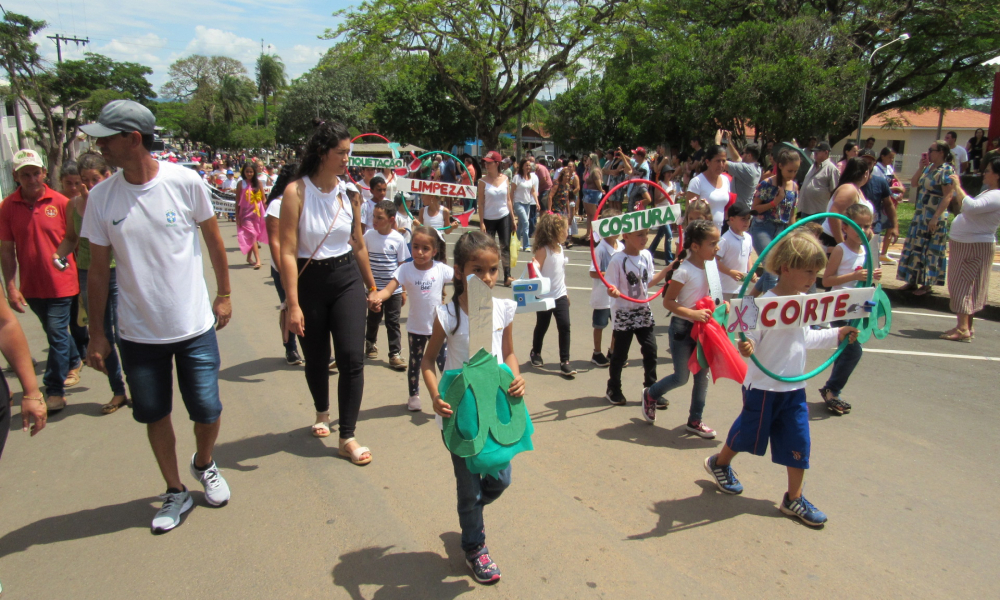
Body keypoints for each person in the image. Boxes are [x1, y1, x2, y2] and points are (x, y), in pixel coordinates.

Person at [80, 100, 232, 533]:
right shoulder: (100, 197)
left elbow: (214, 242)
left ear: (133, 139)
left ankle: (204, 462)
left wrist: (223, 294)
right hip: (138, 333)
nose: (100, 146)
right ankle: (174, 490)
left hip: (193, 326)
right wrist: (97, 334)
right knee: (154, 412)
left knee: (207, 408)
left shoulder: (185, 182)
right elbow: (96, 270)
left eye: (106, 138)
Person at [704, 232, 858, 527]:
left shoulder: (806, 301)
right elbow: (747, 338)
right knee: (747, 435)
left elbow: (807, 338)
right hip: (763, 387)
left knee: (798, 441)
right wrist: (747, 345)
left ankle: (794, 497)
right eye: (809, 271)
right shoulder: (758, 303)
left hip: (794, 388)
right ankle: (719, 462)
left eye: (817, 272)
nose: (814, 278)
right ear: (786, 268)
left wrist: (836, 335)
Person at [420, 230, 523, 585]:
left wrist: (517, 378)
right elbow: (428, 361)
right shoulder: (448, 315)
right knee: (468, 487)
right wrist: (436, 396)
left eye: (493, 270)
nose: (488, 278)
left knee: (501, 478)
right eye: (479, 270)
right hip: (460, 414)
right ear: (460, 271)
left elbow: (507, 353)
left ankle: (472, 511)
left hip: (494, 409)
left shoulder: (504, 308)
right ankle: (474, 546)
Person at [278, 119, 380, 465]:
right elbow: (288, 252)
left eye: (349, 153)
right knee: (318, 359)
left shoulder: (349, 193)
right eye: (341, 153)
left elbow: (359, 245)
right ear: (322, 153)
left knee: (352, 357)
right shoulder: (297, 192)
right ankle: (322, 410)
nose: (347, 160)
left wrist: (372, 287)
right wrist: (293, 304)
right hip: (310, 283)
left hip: (346, 277)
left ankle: (347, 435)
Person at [0, 149, 82, 413]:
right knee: (52, 330)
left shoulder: (60, 202)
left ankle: (54, 389)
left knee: (57, 331)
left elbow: (74, 242)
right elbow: (6, 249)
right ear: (16, 176)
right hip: (31, 286)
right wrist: (11, 286)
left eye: (36, 173)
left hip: (61, 282)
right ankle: (73, 358)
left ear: (45, 173)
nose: (32, 179)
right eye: (26, 174)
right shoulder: (7, 207)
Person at [53, 152, 130, 414]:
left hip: (117, 271)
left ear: (107, 176)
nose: (86, 186)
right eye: (82, 180)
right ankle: (118, 390)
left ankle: (139, 388)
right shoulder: (73, 205)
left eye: (93, 180)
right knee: (101, 335)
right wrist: (57, 255)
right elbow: (70, 238)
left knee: (124, 333)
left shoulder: (117, 201)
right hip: (88, 273)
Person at [642, 220, 720, 437]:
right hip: (682, 328)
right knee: (681, 376)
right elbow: (668, 302)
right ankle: (651, 394)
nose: (718, 247)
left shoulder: (711, 267)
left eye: (718, 242)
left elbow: (715, 296)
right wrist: (692, 314)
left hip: (704, 329)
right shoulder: (683, 271)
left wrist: (721, 307)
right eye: (713, 243)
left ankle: (695, 421)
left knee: (702, 377)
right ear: (695, 246)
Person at [374, 225, 450, 411]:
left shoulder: (441, 269)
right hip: (416, 328)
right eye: (415, 247)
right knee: (415, 363)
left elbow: (463, 279)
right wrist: (377, 296)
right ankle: (414, 395)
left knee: (444, 363)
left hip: (438, 329)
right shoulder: (405, 269)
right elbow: (389, 289)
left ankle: (449, 394)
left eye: (425, 248)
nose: (420, 252)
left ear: (434, 251)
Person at [819, 203, 881, 414]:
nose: (863, 231)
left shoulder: (866, 249)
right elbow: (827, 280)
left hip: (858, 308)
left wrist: (873, 277)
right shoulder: (840, 249)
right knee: (852, 351)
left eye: (867, 226)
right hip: (840, 308)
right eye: (858, 226)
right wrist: (853, 276)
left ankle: (832, 390)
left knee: (847, 350)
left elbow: (867, 280)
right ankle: (832, 390)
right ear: (845, 227)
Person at [603, 226, 668, 406]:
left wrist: (667, 271)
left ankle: (651, 390)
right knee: (620, 355)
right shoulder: (618, 259)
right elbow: (610, 286)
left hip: (643, 309)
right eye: (640, 235)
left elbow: (648, 282)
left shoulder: (646, 255)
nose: (645, 238)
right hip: (624, 311)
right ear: (626, 236)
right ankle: (613, 388)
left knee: (650, 350)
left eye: (646, 234)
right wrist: (613, 291)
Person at [941, 156, 1000, 342]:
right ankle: (966, 326)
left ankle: (963, 328)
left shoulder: (996, 194)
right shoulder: (990, 192)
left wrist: (958, 186)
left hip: (972, 245)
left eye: (989, 170)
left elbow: (972, 207)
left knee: (962, 284)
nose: (985, 173)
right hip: (970, 243)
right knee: (969, 284)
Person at [897, 141, 956, 296]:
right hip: (921, 215)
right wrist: (921, 167)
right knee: (915, 246)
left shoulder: (946, 170)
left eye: (932, 150)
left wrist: (935, 217)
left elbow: (948, 195)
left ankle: (927, 283)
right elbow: (915, 183)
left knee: (929, 250)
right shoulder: (930, 168)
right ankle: (911, 280)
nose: (929, 152)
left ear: (941, 152)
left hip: (933, 216)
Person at [265, 164, 306, 366]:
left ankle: (313, 351)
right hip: (283, 265)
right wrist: (281, 270)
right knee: (289, 305)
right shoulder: (276, 205)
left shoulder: (302, 201)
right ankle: (290, 348)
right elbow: (275, 241)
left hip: (302, 264)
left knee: (303, 307)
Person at [364, 199, 410, 371]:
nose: (374, 220)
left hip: (394, 290)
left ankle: (394, 354)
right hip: (374, 289)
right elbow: (363, 258)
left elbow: (402, 266)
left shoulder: (398, 239)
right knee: (373, 318)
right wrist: (370, 288)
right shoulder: (369, 236)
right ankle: (370, 343)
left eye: (379, 218)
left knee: (393, 321)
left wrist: (403, 291)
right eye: (374, 216)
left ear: (391, 220)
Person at [528, 214, 574, 377]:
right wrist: (534, 266)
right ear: (555, 231)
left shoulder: (561, 249)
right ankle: (536, 352)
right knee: (542, 326)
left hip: (560, 294)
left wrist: (566, 293)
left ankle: (565, 361)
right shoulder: (544, 250)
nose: (567, 232)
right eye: (565, 229)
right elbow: (537, 267)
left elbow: (560, 273)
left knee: (565, 326)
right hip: (545, 297)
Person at [749, 149, 801, 293]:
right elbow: (754, 209)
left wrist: (794, 234)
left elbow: (791, 215)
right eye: (790, 170)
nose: (792, 175)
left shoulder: (794, 187)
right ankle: (770, 308)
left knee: (770, 270)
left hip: (781, 230)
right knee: (772, 269)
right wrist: (774, 202)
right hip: (762, 228)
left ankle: (746, 302)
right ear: (780, 167)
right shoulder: (767, 184)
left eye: (796, 171)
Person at [589, 207, 623, 368]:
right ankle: (597, 352)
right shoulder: (600, 249)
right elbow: (593, 272)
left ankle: (613, 351)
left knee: (618, 325)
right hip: (603, 296)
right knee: (600, 325)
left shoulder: (621, 247)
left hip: (617, 295)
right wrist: (607, 274)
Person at [477, 151, 514, 286]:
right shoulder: (482, 181)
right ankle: (487, 275)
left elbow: (508, 200)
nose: (486, 165)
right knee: (489, 249)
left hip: (503, 216)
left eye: (489, 162)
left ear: (497, 163)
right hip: (488, 218)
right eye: (485, 162)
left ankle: (507, 276)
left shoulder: (505, 179)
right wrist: (481, 222)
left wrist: (512, 217)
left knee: (505, 246)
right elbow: (480, 203)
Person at [819, 157, 873, 249]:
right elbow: (834, 216)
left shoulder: (857, 189)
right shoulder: (849, 189)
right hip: (834, 241)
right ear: (866, 173)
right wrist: (843, 245)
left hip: (852, 242)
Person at [858, 149, 895, 264]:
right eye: (864, 162)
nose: (867, 166)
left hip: (874, 229)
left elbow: (889, 205)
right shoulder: (851, 183)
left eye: (869, 163)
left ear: (874, 163)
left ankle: (871, 282)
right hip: (854, 229)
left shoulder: (880, 182)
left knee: (872, 264)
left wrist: (895, 226)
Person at [685, 145, 731, 230]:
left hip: (719, 232)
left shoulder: (726, 180)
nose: (721, 165)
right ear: (708, 162)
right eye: (717, 161)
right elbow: (689, 212)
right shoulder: (697, 182)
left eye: (723, 161)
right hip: (701, 233)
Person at [717, 204, 755, 301]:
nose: (747, 222)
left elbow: (748, 256)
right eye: (743, 219)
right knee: (723, 314)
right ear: (732, 220)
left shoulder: (748, 237)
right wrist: (730, 272)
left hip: (740, 287)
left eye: (748, 218)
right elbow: (715, 261)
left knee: (736, 314)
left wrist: (751, 271)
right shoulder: (725, 240)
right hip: (724, 288)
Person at [236, 163, 268, 269]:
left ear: (254, 172)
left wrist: (267, 212)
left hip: (257, 213)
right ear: (243, 172)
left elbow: (263, 199)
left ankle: (249, 258)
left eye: (251, 171)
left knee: (254, 235)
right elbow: (237, 202)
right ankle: (258, 260)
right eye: (247, 171)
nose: (249, 173)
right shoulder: (241, 184)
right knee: (253, 234)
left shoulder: (258, 183)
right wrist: (237, 216)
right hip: (245, 214)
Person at [798, 142, 839, 219]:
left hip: (819, 212)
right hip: (806, 210)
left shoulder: (831, 169)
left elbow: (834, 191)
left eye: (818, 151)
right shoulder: (812, 166)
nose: (815, 153)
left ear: (826, 152)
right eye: (814, 151)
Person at [723, 136, 762, 211]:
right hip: (744, 209)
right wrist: (728, 141)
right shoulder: (755, 168)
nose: (741, 155)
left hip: (739, 210)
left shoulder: (747, 169)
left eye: (743, 153)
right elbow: (737, 158)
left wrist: (717, 145)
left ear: (749, 155)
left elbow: (722, 164)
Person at [510, 157, 540, 252]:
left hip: (527, 203)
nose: (528, 167)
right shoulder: (517, 177)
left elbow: (533, 191)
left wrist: (537, 202)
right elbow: (512, 192)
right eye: (526, 165)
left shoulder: (531, 178)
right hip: (518, 203)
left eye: (529, 165)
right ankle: (526, 245)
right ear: (522, 166)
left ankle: (517, 243)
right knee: (526, 222)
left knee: (522, 225)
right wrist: (510, 204)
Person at [581, 153, 604, 241]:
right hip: (587, 193)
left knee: (594, 215)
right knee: (589, 215)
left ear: (592, 160)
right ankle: (588, 233)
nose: (586, 160)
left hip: (593, 193)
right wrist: (586, 170)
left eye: (588, 159)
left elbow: (598, 183)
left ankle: (595, 235)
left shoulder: (595, 171)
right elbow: (584, 178)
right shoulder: (589, 169)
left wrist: (601, 189)